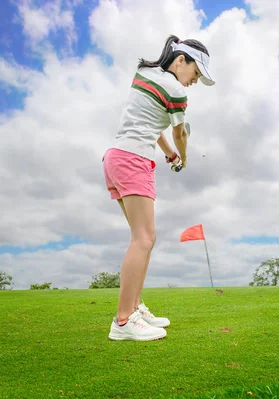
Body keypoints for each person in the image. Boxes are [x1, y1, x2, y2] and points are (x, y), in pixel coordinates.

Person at [102, 34, 215, 341]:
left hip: (116, 157)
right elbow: (180, 133)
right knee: (144, 238)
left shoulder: (146, 73)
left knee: (143, 238)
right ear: (181, 61)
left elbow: (152, 126)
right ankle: (123, 321)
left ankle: (134, 307)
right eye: (196, 73)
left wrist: (168, 154)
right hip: (133, 160)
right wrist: (183, 157)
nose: (194, 81)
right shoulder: (177, 90)